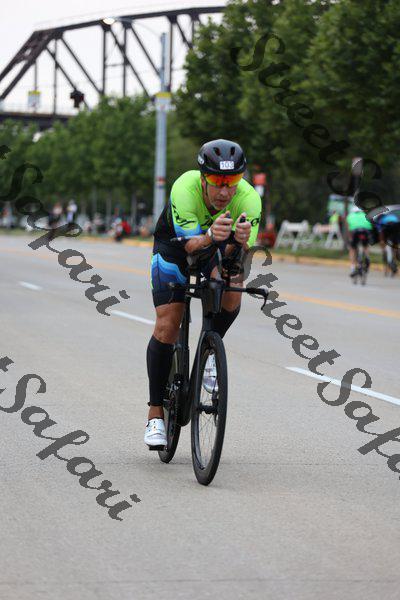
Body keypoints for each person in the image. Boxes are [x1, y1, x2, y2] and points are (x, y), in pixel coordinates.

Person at [144, 139, 262, 448]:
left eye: (232, 181)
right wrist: (210, 235)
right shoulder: (185, 188)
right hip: (175, 246)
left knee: (233, 283)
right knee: (167, 324)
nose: (225, 191)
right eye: (217, 181)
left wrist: (240, 243)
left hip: (217, 245)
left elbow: (239, 258)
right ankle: (155, 413)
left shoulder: (249, 200)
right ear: (202, 178)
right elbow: (191, 248)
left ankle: (209, 352)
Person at [345, 205, 373, 278]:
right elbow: (371, 226)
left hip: (355, 232)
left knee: (352, 249)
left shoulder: (349, 216)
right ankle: (367, 257)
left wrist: (350, 238)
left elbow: (348, 229)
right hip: (366, 231)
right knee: (365, 246)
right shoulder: (366, 215)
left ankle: (352, 268)